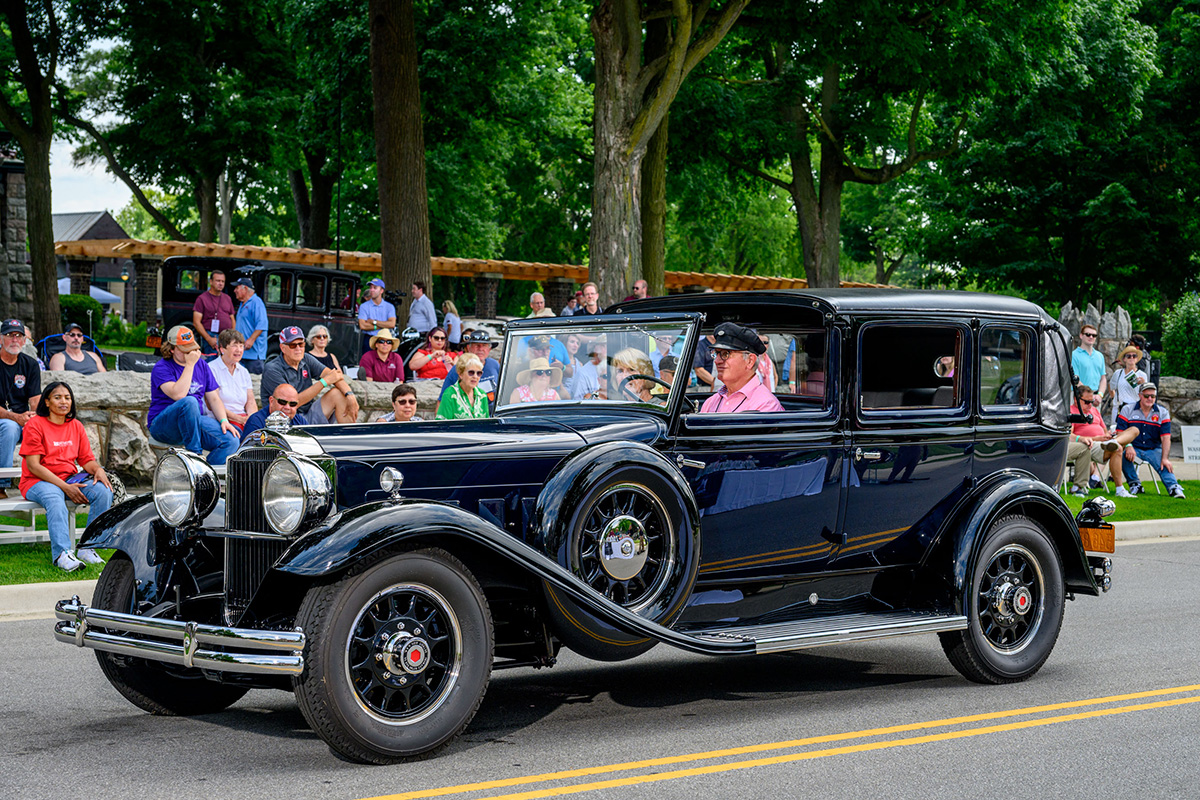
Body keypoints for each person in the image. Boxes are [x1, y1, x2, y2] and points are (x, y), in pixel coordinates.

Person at [19, 381, 113, 572]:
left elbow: (86, 460)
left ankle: (88, 548)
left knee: (103, 491)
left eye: (67, 397)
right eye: (57, 397)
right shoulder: (35, 424)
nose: (64, 401)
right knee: (54, 497)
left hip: (69, 479)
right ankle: (62, 554)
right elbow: (33, 466)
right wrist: (64, 486)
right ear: (46, 402)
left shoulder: (76, 426)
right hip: (36, 481)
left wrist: (98, 470)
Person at [147, 325, 239, 465]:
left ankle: (206, 476)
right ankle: (195, 456)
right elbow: (178, 394)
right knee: (189, 402)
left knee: (231, 440)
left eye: (191, 347)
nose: (190, 352)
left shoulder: (201, 365)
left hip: (194, 421)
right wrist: (189, 365)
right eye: (185, 349)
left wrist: (223, 421)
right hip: (164, 425)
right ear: (171, 349)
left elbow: (214, 398)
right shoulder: (162, 367)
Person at [261, 326, 360, 425]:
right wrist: (323, 382)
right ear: (283, 348)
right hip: (283, 420)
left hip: (307, 413)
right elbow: (290, 404)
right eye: (293, 345)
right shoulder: (272, 369)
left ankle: (349, 435)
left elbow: (335, 376)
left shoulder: (306, 358)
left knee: (337, 394)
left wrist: (350, 395)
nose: (298, 349)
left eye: (301, 344)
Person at [1116, 382, 1185, 498]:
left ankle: (1174, 488)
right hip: (1134, 447)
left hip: (1153, 448)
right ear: (1140, 396)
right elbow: (1120, 432)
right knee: (1122, 454)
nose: (1150, 398)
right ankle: (1135, 484)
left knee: (1164, 463)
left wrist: (1165, 458)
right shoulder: (1127, 409)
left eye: (1152, 396)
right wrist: (1128, 446)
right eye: (1146, 396)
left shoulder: (1163, 413)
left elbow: (1166, 438)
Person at [700, 323, 784, 413]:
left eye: (725, 354)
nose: (717, 361)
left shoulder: (766, 405)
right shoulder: (711, 402)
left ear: (750, 361)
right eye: (716, 354)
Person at [0, 318, 43, 494]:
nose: (15, 340)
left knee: (41, 429)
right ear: (1, 338)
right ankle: (2, 484)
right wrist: (16, 417)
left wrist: (34, 416)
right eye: (10, 335)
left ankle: (41, 484)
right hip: (6, 420)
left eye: (19, 336)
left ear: (24, 341)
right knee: (9, 428)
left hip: (22, 419)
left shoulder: (30, 365)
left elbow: (35, 400)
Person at [1066, 384, 1132, 497]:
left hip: (1103, 442)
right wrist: (1096, 439)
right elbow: (1069, 435)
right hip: (1089, 444)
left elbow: (1104, 430)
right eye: (1087, 402)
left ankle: (1120, 489)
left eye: (1092, 402)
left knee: (1133, 430)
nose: (1090, 405)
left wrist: (1108, 436)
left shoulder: (1094, 411)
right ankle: (1096, 476)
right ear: (1076, 399)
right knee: (1117, 448)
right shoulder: (1071, 413)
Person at [208, 329, 257, 432]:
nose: (239, 350)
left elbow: (251, 401)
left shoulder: (244, 371)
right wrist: (238, 419)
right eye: (234, 345)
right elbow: (212, 403)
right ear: (222, 349)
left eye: (241, 346)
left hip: (243, 419)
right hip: (221, 419)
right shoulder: (211, 369)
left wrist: (251, 418)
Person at [437, 330, 499, 411]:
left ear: (489, 349)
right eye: (476, 345)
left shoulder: (494, 365)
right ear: (468, 348)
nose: (480, 349)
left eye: (484, 345)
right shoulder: (457, 369)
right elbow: (442, 401)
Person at [241, 384, 308, 440]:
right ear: (271, 401)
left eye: (292, 404)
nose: (287, 407)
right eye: (282, 402)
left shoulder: (300, 422)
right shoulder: (256, 422)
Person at [192, 270, 236, 354]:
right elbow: (196, 322)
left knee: (225, 363)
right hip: (211, 336)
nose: (220, 283)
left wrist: (232, 336)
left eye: (222, 281)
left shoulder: (227, 298)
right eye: (218, 281)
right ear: (211, 282)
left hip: (226, 337)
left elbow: (232, 319)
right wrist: (209, 339)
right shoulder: (202, 298)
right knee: (211, 362)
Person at [437, 354, 490, 420]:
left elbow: (486, 424)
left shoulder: (482, 395)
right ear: (460, 374)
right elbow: (442, 426)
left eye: (479, 373)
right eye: (471, 372)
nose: (475, 377)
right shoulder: (449, 394)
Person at [233, 277, 268, 374]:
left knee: (254, 384)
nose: (234, 290)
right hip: (242, 353)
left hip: (253, 355)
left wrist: (251, 339)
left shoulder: (257, 302)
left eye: (237, 288)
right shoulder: (242, 304)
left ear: (245, 288)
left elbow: (262, 324)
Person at [358, 278, 398, 356]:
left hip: (385, 340)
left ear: (381, 291)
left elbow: (392, 324)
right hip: (369, 339)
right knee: (368, 364)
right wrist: (383, 326)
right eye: (371, 288)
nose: (372, 290)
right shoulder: (364, 306)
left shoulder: (389, 307)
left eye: (375, 288)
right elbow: (362, 325)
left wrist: (374, 322)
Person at [1108, 345, 1147, 425]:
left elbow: (1146, 394)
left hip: (1135, 409)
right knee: (1117, 434)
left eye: (1134, 356)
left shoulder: (1142, 375)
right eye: (1128, 356)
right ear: (1124, 359)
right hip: (1119, 409)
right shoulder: (1118, 373)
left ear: (1137, 359)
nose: (1131, 358)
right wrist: (1114, 398)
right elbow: (1111, 386)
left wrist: (1143, 384)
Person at [1071, 324, 1106, 396]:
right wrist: (1089, 396)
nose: (1091, 337)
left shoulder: (1100, 356)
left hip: (1096, 397)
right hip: (1079, 396)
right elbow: (1075, 380)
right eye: (1088, 334)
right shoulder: (1074, 355)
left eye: (1094, 335)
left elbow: (1103, 379)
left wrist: (1100, 395)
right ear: (1081, 336)